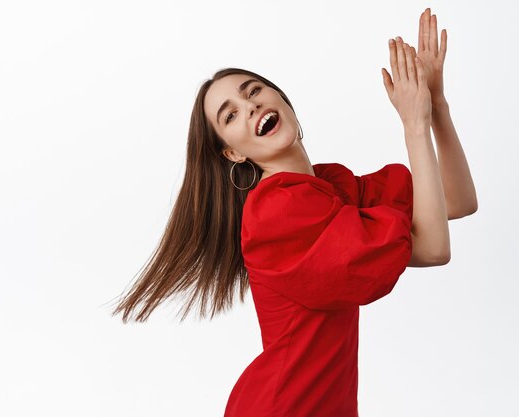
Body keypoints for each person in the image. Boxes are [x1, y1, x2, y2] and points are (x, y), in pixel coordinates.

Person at [109, 8, 477, 416]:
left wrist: (436, 106)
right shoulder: (277, 211)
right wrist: (413, 125)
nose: (249, 106)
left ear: (281, 98)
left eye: (253, 92)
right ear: (232, 152)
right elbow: (432, 250)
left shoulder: (329, 187)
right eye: (230, 115)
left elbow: (457, 201)